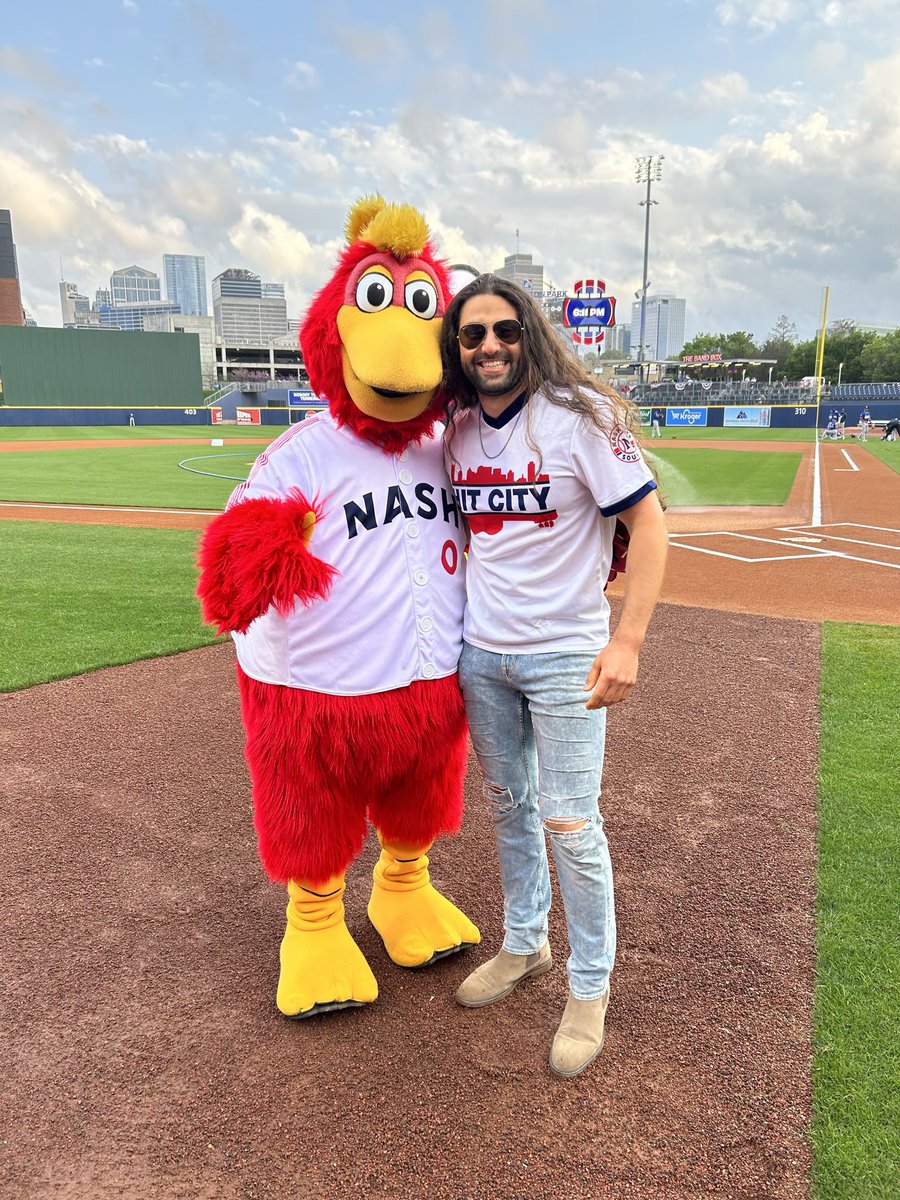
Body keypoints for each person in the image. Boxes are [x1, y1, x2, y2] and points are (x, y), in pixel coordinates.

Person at [440, 275, 668, 1078]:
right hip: (482, 653)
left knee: (571, 821)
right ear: (458, 348)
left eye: (505, 330)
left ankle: (589, 987)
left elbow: (648, 523)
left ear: (528, 334)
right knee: (510, 806)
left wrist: (628, 639)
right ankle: (525, 943)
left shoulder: (580, 417)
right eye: (473, 334)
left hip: (567, 652)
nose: (490, 346)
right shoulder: (456, 429)